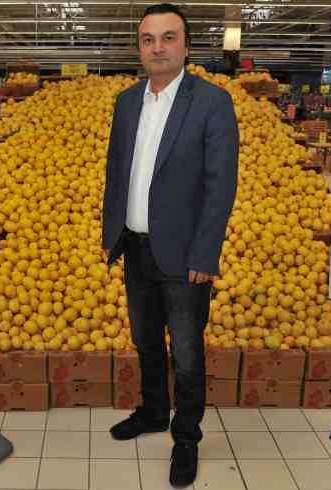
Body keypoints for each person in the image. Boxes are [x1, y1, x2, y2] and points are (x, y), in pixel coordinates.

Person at [101, 3, 239, 487]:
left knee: (185, 352)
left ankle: (186, 437)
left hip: (184, 256)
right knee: (144, 342)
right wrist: (111, 233)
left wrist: (205, 254)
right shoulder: (125, 102)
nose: (157, 47)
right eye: (148, 39)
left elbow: (221, 185)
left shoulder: (212, 102)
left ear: (185, 44)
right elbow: (117, 174)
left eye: (168, 37)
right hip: (135, 248)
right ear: (138, 46)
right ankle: (154, 411)